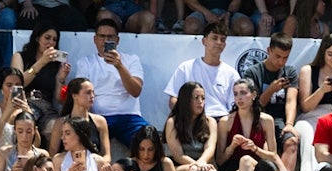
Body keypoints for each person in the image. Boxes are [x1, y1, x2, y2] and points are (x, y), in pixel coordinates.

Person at [74, 20, 147, 149]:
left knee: (148, 142)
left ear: (117, 40)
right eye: (102, 37)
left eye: (110, 37)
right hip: (98, 117)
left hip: (129, 117)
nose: (105, 41)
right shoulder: (85, 62)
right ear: (95, 39)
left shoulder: (131, 60)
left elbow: (136, 91)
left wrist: (119, 66)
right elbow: (81, 95)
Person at [165, 23, 240, 119]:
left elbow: (235, 106)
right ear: (204, 41)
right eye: (214, 38)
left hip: (221, 119)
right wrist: (187, 118)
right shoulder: (185, 67)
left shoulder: (232, 74)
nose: (219, 42)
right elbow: (173, 99)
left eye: (222, 40)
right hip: (192, 118)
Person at [242, 33, 299, 143]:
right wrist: (271, 90)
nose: (281, 61)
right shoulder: (252, 73)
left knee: (292, 142)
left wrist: (289, 124)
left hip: (281, 121)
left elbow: (291, 101)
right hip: (258, 119)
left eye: (285, 57)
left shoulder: (290, 72)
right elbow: (254, 106)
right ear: (269, 50)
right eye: (278, 56)